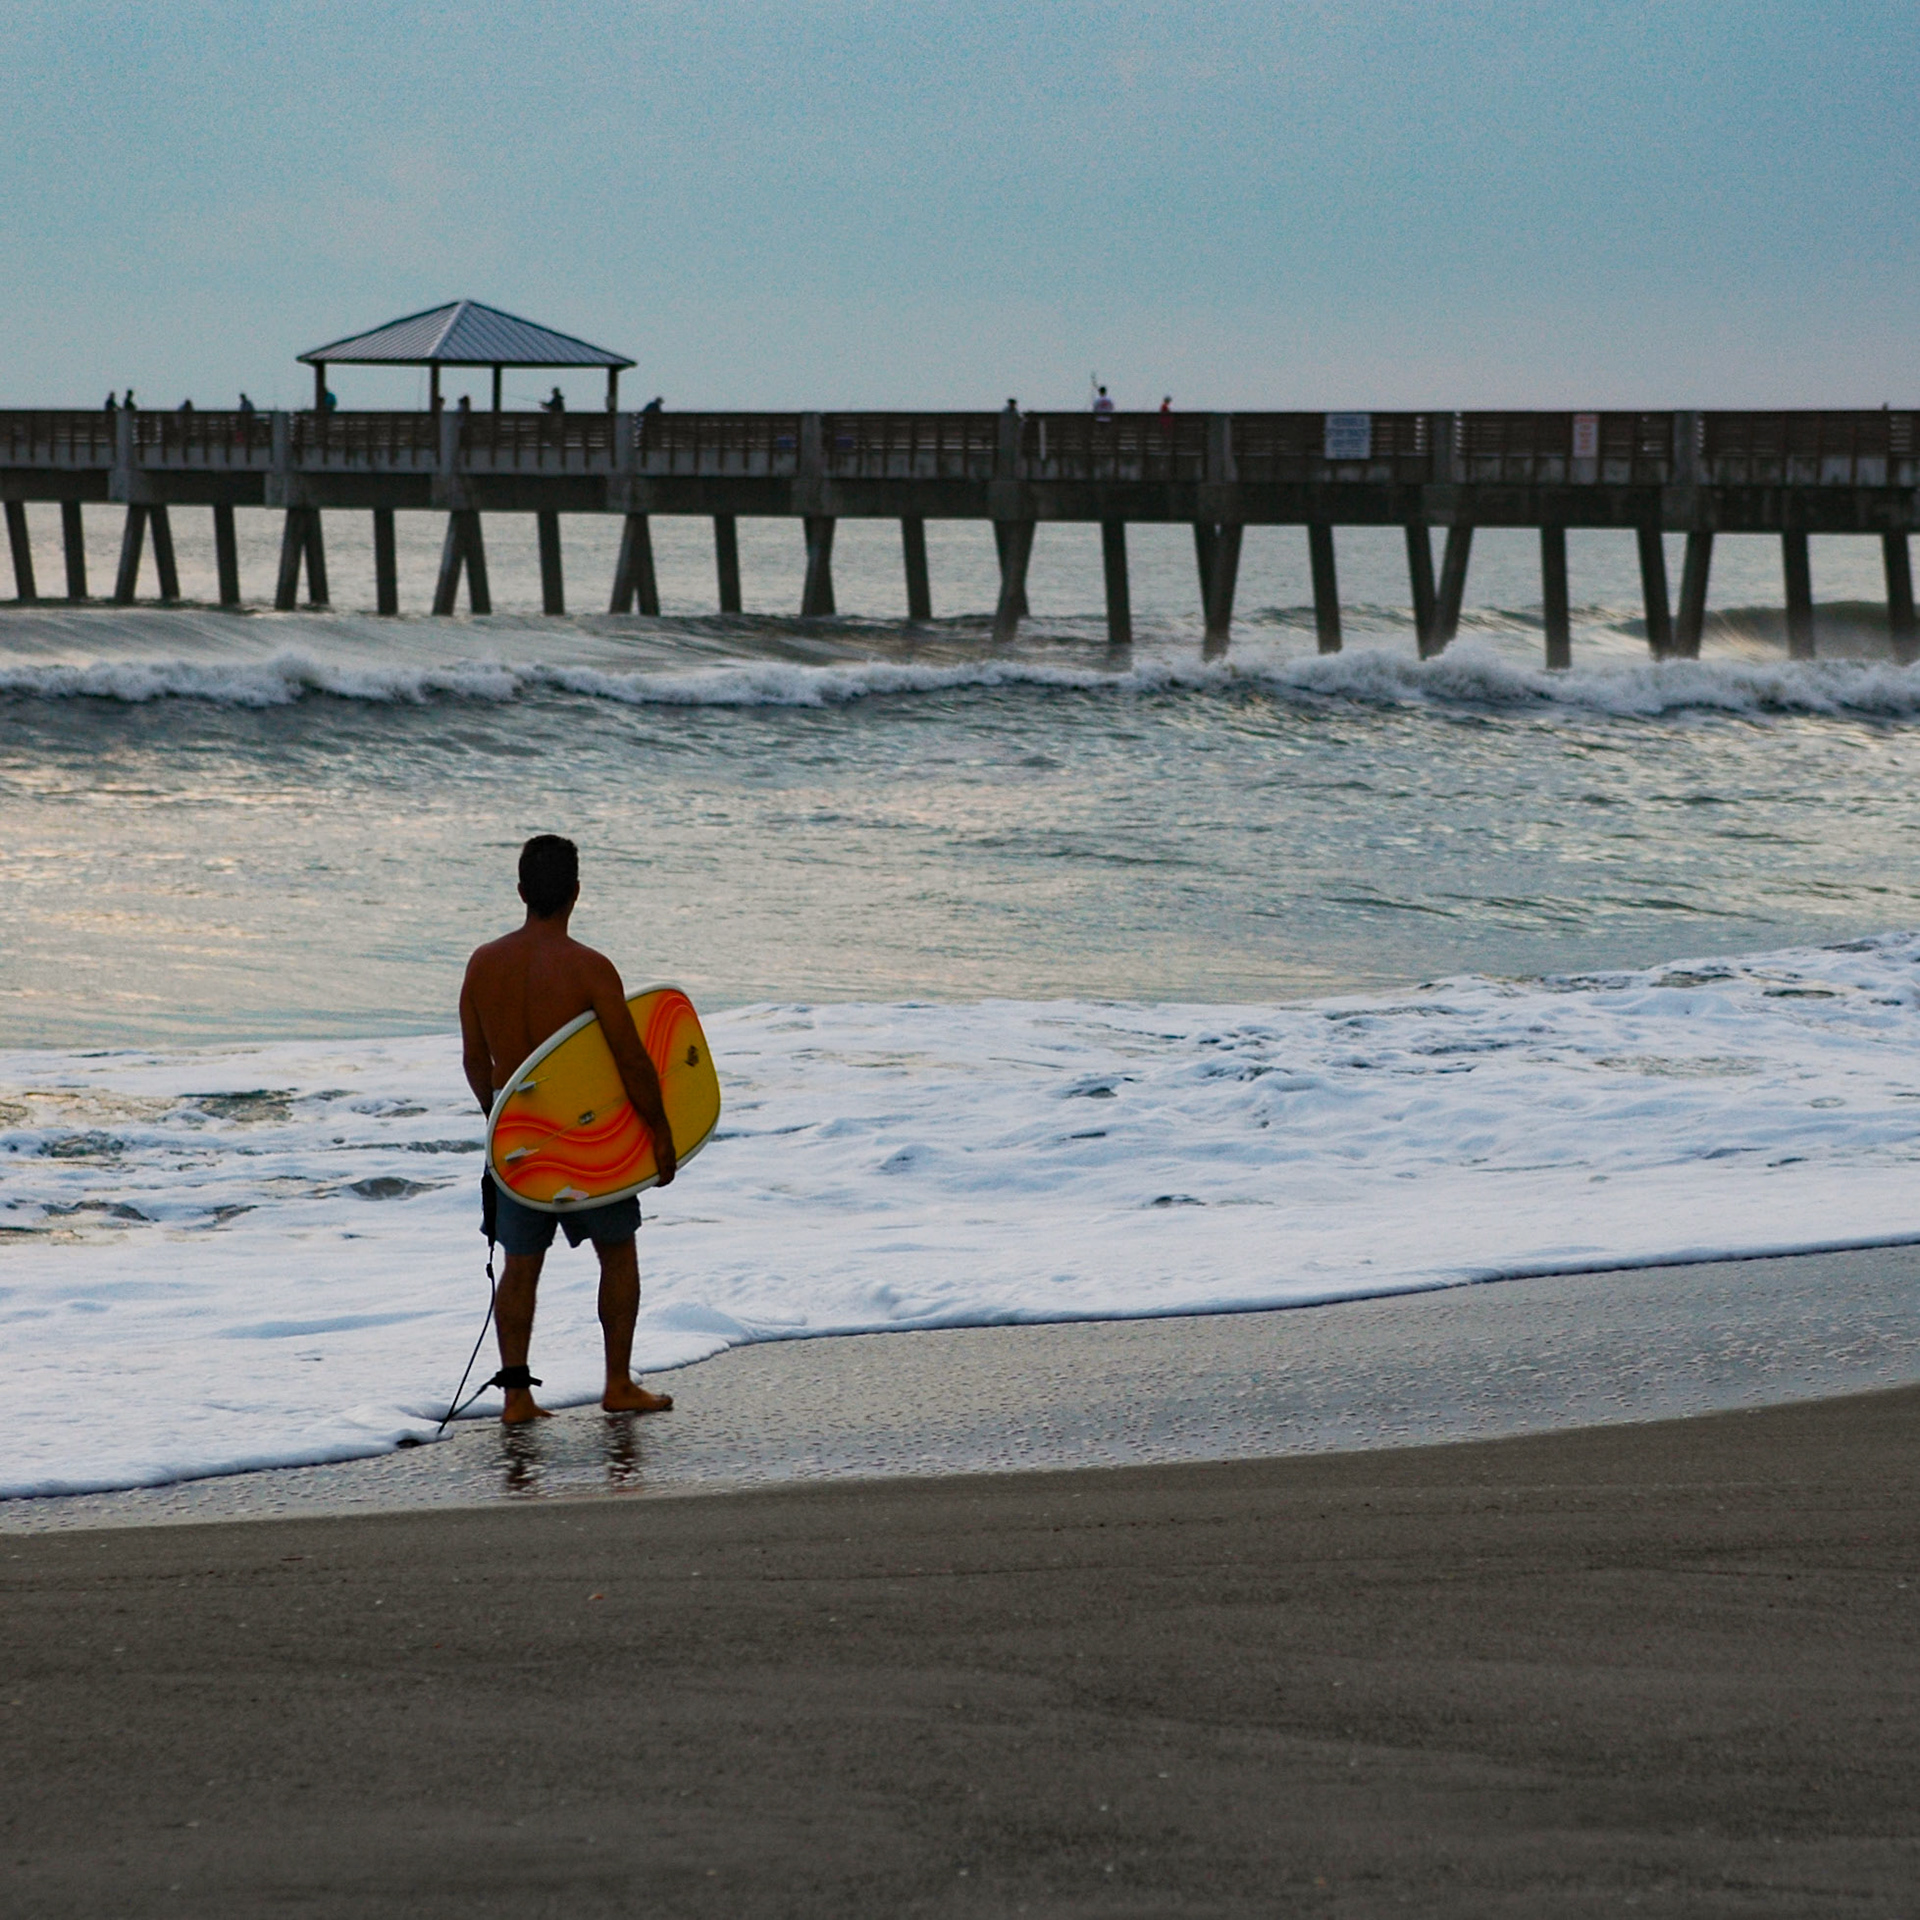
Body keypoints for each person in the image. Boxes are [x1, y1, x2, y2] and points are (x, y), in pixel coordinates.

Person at [459, 835, 678, 1425]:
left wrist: (498, 1124)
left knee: (520, 1265)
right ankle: (616, 1384)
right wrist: (658, 1132)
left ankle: (517, 1398)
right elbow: (631, 1060)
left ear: (522, 891)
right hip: (591, 1145)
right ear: (576, 893)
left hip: (521, 1146)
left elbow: (476, 1060)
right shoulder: (589, 968)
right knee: (618, 1255)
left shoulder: (483, 964)